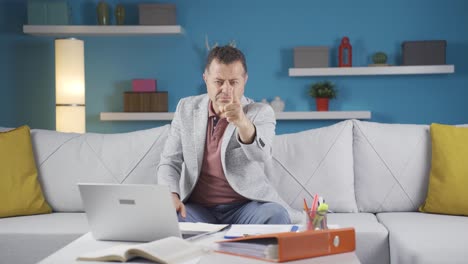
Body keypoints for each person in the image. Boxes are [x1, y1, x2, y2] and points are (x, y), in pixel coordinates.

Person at [157, 45, 300, 224]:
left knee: (276, 215)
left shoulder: (261, 112)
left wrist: (242, 122)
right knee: (170, 218)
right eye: (218, 81)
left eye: (233, 82)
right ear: (206, 79)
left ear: (244, 81)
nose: (226, 89)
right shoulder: (185, 108)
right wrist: (171, 195)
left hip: (245, 207)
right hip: (199, 208)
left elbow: (261, 155)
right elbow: (170, 162)